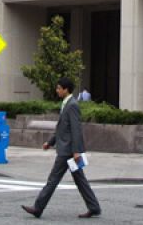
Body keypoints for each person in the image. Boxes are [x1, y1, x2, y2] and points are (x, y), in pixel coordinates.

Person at [22, 76, 100, 219]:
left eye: (59, 88)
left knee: (53, 180)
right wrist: (50, 142)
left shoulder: (72, 105)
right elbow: (62, 128)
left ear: (66, 89)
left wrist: (77, 151)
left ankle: (38, 208)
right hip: (68, 149)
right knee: (80, 180)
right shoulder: (66, 104)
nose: (56, 90)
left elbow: (76, 129)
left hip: (68, 151)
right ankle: (94, 207)